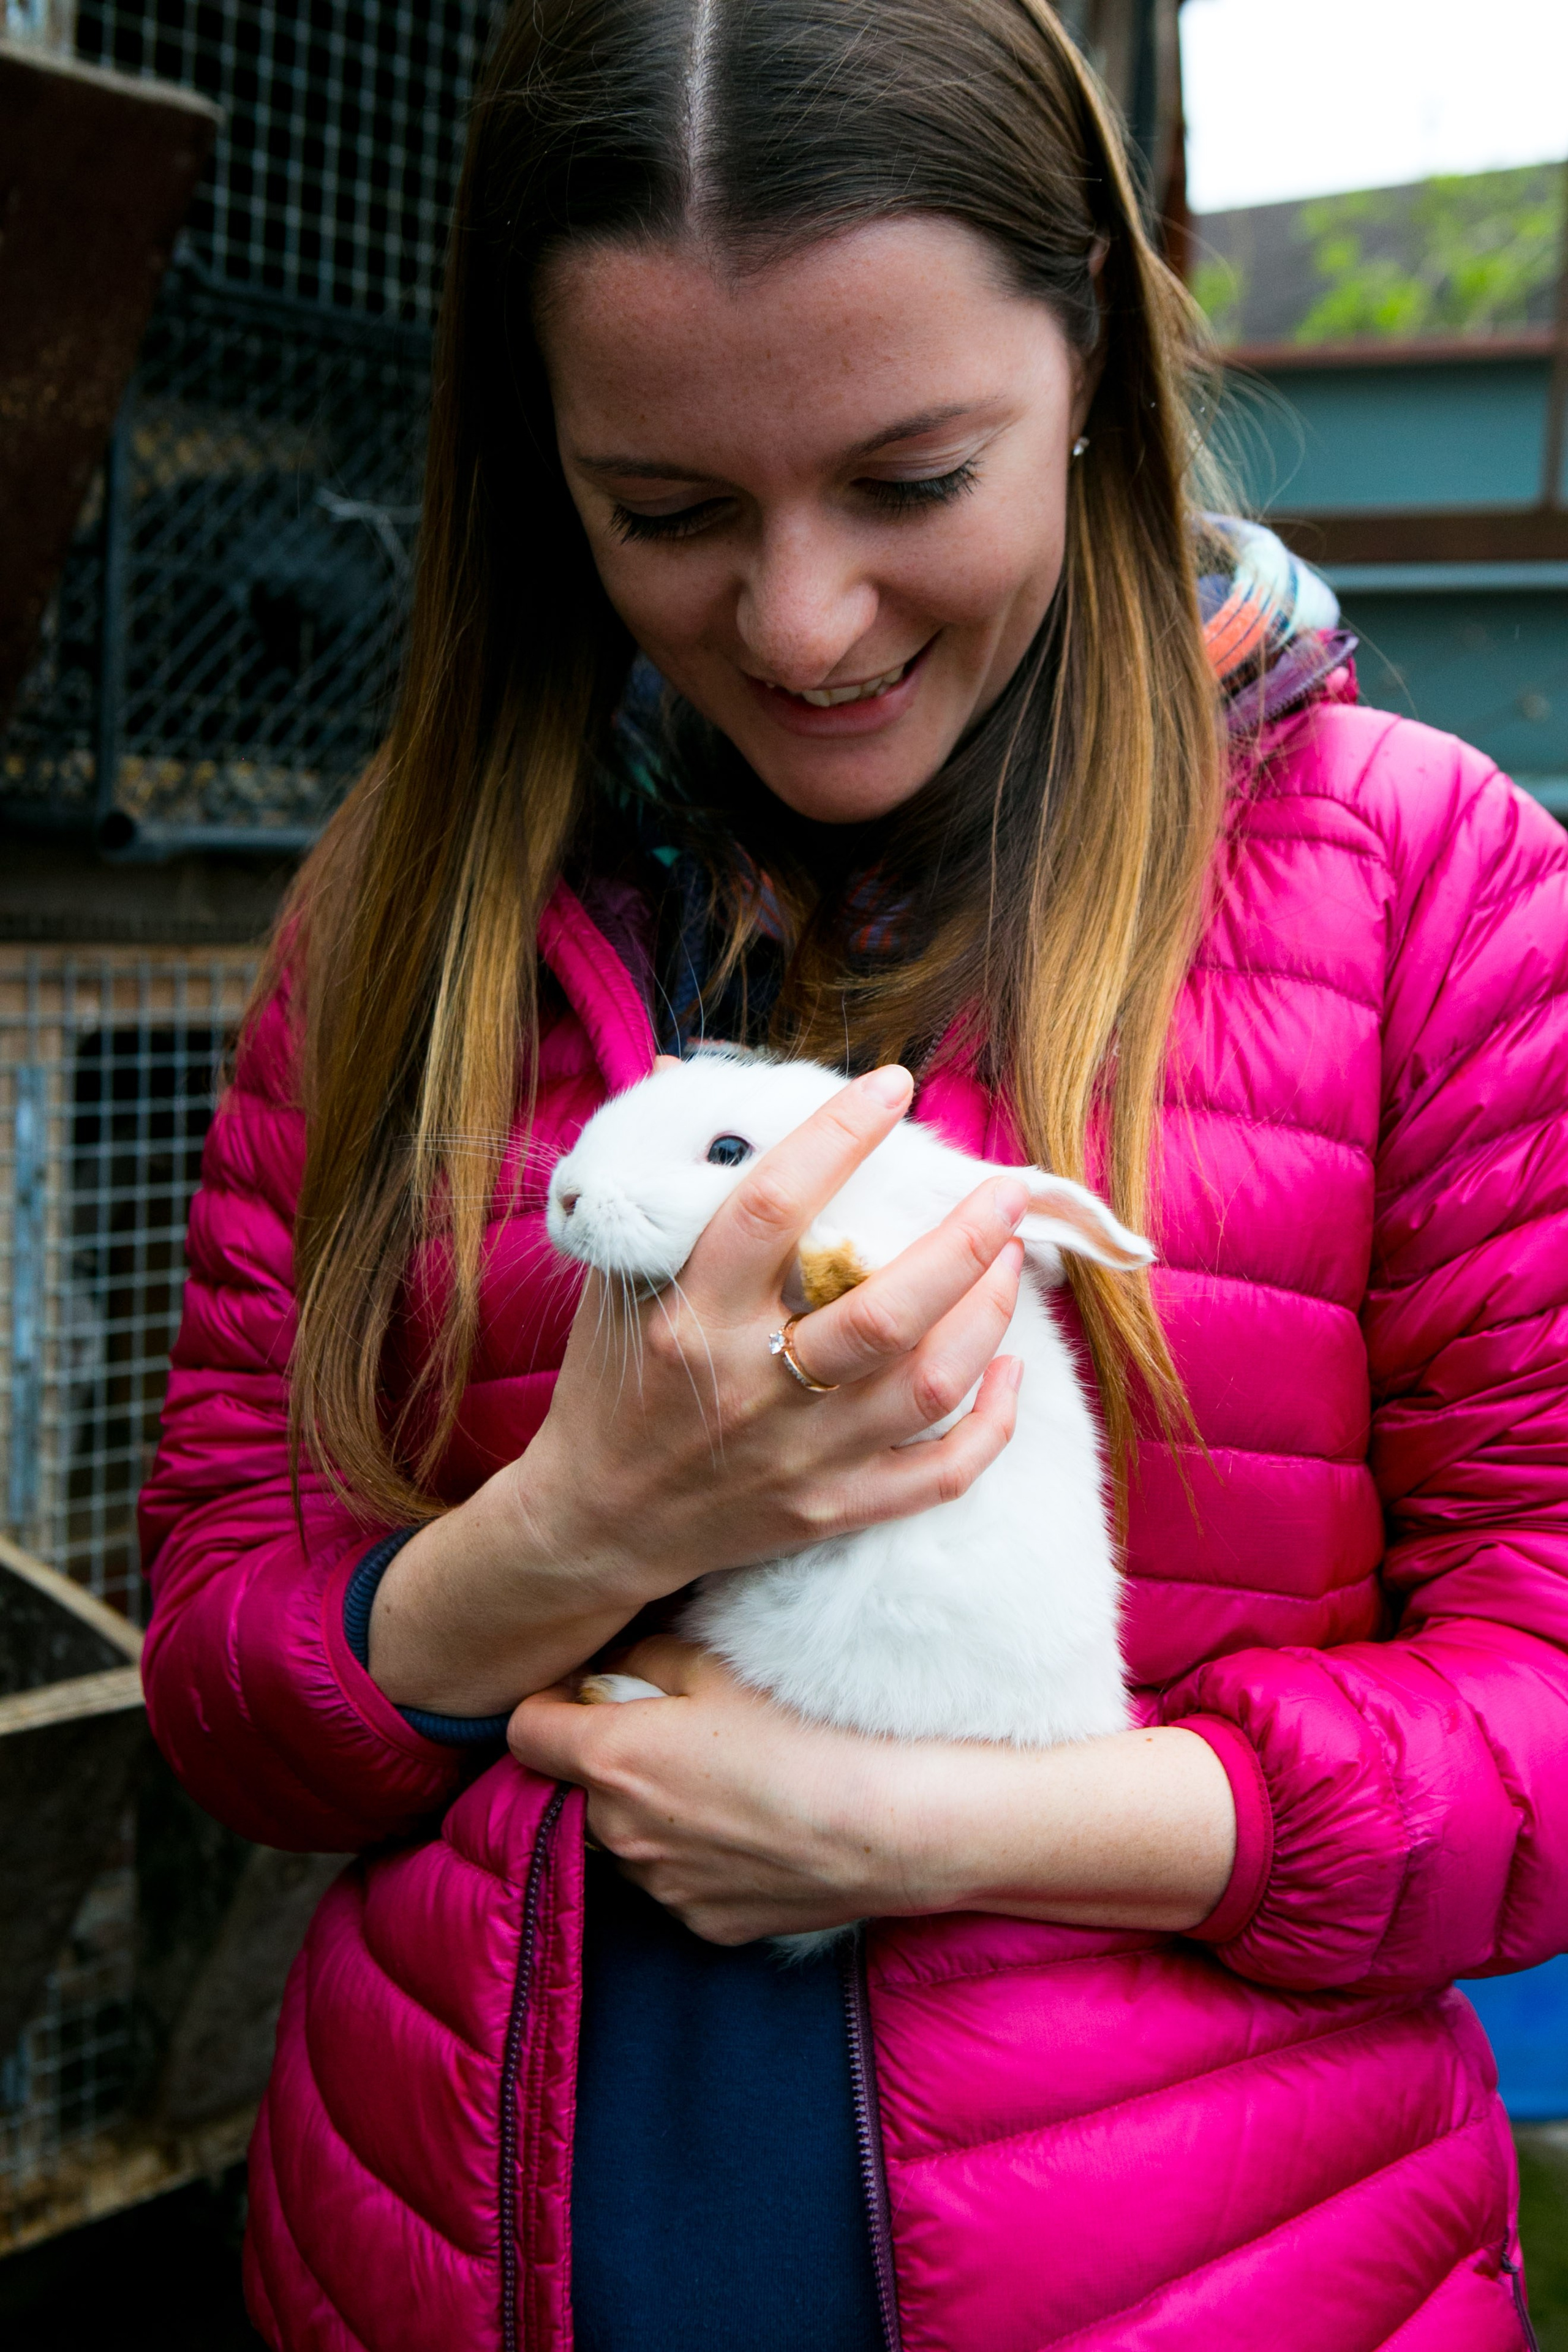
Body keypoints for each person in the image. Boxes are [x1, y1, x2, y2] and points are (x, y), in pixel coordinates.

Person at [138, 1, 1568, 2345]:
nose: (800, 625)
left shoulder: (1438, 896)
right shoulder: (404, 900)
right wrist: (585, 1525)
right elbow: (222, 1680)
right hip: (433, 2253)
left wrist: (917, 1835)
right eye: (668, 513)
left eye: (915, 480)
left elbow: (1549, 1707)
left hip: (1218, 2274)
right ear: (546, 457)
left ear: (1089, 353)